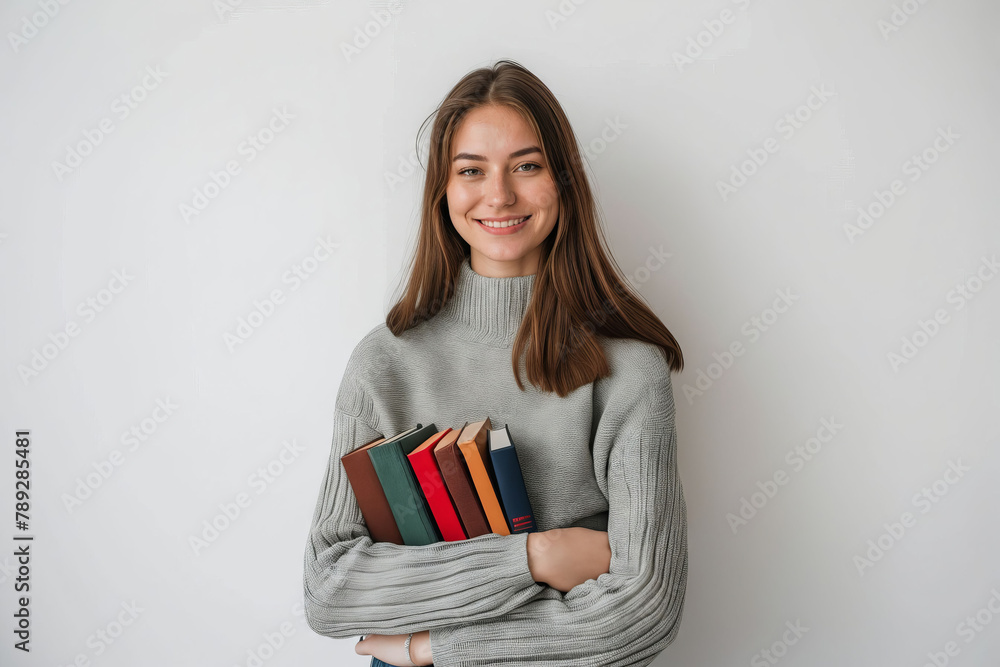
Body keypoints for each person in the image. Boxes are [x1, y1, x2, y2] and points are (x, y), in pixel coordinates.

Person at [302, 59, 688, 667]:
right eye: (471, 170)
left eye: (527, 166)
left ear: (562, 181)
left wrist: (430, 645)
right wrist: (535, 557)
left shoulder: (629, 373)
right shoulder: (383, 363)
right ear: (444, 192)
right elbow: (330, 590)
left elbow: (644, 610)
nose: (499, 195)